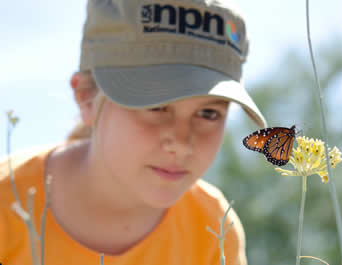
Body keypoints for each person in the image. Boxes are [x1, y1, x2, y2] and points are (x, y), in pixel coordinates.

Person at [0, 0, 267, 264]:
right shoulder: (5, 204)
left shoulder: (212, 227)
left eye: (209, 113)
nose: (182, 144)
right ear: (85, 97)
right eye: (156, 106)